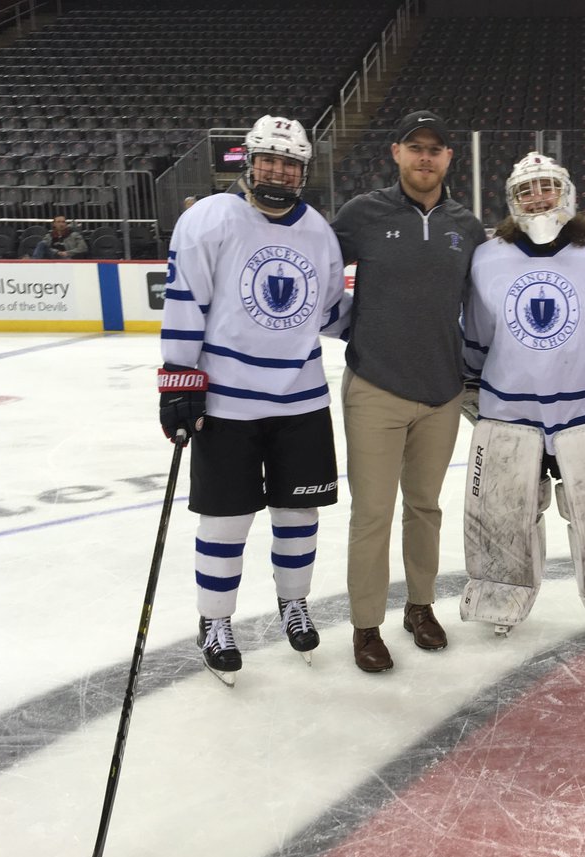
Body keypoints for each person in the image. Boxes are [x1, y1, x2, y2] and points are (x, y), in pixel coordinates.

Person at [157, 115, 350, 686]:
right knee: (225, 519)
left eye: (289, 163)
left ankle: (294, 604)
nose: (278, 170)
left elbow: (333, 311)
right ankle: (215, 620)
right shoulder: (209, 219)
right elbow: (184, 303)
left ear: (303, 172)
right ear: (247, 160)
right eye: (268, 158)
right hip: (228, 405)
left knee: (298, 515)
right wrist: (177, 380)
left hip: (300, 399)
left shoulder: (318, 231)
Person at [461, 152, 585, 639]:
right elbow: (479, 334)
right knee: (502, 511)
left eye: (547, 186)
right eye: (526, 191)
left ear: (567, 194)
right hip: (509, 407)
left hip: (584, 406)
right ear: (511, 202)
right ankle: (498, 592)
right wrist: (470, 382)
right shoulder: (487, 257)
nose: (538, 198)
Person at [330, 110, 487, 673]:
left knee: (424, 507)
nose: (426, 157)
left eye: (436, 149)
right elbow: (312, 272)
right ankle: (366, 624)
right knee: (372, 512)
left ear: (449, 158)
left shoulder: (466, 227)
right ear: (395, 152)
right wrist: (346, 326)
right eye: (415, 147)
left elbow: (482, 305)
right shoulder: (361, 214)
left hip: (442, 392)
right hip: (375, 387)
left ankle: (420, 607)